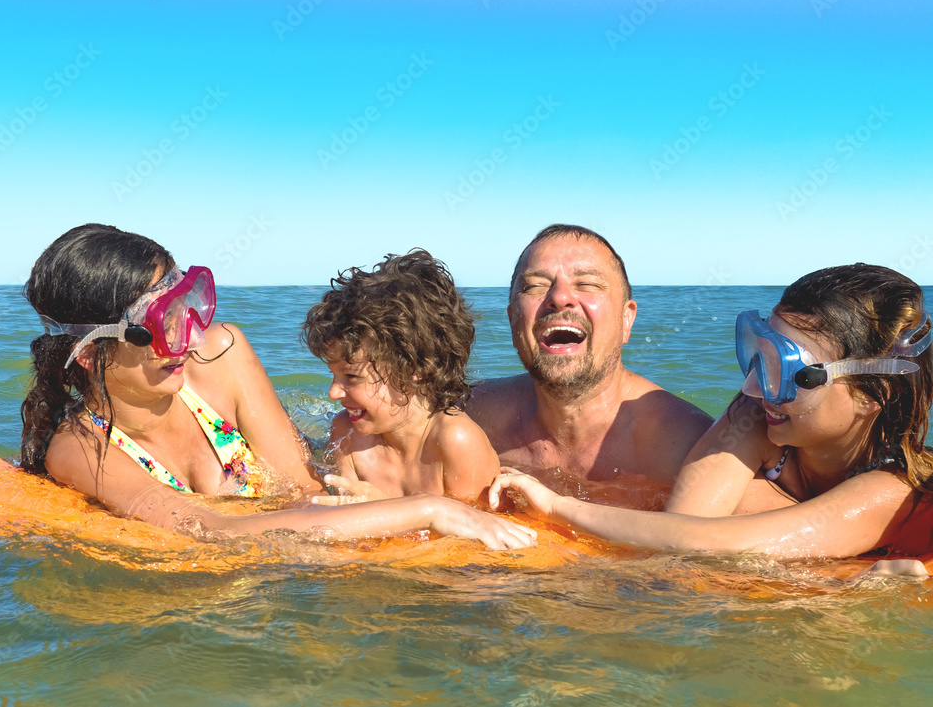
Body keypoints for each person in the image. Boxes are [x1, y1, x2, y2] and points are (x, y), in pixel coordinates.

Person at [19, 224, 536, 551]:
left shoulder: (220, 354)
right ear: (88, 353)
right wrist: (429, 509)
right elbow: (203, 530)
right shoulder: (80, 449)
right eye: (159, 323)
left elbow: (307, 488)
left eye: (186, 306)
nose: (187, 336)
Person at [489, 263, 933, 560]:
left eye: (786, 370)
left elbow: (707, 543)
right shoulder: (759, 413)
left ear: (872, 397)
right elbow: (682, 528)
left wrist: (557, 507)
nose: (755, 386)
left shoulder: (891, 491)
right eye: (759, 355)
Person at [468, 224, 712, 487]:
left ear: (626, 319)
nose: (559, 297)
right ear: (513, 320)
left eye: (587, 283)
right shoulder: (470, 419)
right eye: (535, 286)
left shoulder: (691, 450)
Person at [302, 250, 499, 504]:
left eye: (351, 376)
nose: (333, 393)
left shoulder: (456, 442)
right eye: (333, 375)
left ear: (415, 369)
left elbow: (484, 532)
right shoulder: (347, 434)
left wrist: (385, 513)